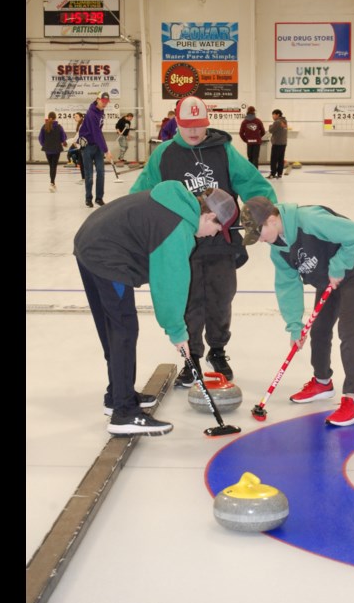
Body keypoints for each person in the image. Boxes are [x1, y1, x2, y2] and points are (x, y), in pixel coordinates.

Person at [129, 95, 277, 386]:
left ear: (207, 123)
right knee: (189, 300)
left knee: (222, 297)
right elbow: (141, 194)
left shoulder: (223, 150)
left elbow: (252, 182)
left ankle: (218, 351)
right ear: (177, 123)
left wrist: (265, 213)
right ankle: (192, 357)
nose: (194, 132)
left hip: (221, 240)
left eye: (199, 126)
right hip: (183, 244)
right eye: (188, 127)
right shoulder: (164, 155)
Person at [73, 183, 240, 436]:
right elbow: (169, 285)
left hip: (89, 243)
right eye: (217, 227)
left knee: (114, 327)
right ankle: (124, 413)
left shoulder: (176, 203)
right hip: (106, 255)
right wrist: (177, 332)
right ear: (208, 215)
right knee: (123, 330)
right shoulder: (178, 228)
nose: (214, 234)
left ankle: (118, 395)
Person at [239, 196, 354, 427]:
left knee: (349, 331)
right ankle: (323, 382)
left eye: (259, 233)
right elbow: (287, 285)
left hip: (353, 267)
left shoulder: (309, 220)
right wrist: (294, 326)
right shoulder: (277, 249)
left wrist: (340, 264)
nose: (260, 240)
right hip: (327, 276)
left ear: (272, 220)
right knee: (319, 330)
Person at [78, 91, 115, 208]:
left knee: (101, 173)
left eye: (106, 102)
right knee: (89, 175)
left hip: (97, 146)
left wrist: (103, 148)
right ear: (97, 99)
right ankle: (88, 198)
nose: (105, 104)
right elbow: (96, 133)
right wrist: (106, 150)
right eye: (103, 101)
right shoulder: (91, 114)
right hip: (88, 147)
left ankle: (99, 198)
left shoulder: (101, 111)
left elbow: (99, 132)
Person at [38, 111, 68, 193]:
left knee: (51, 166)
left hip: (47, 150)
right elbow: (63, 137)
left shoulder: (44, 126)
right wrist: (63, 141)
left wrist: (45, 144)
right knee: (54, 167)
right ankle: (52, 183)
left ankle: (52, 183)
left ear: (48, 117)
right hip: (56, 149)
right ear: (55, 118)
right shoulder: (59, 127)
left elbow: (40, 138)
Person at [266, 109, 288, 180]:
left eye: (273, 114)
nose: (272, 116)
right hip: (283, 143)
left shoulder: (277, 122)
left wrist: (270, 126)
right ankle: (279, 174)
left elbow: (271, 130)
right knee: (280, 159)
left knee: (274, 160)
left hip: (277, 144)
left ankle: (272, 174)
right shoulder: (284, 121)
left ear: (277, 114)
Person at [67, 112, 86, 178]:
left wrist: (68, 141)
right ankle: (83, 178)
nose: (75, 118)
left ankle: (85, 178)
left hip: (82, 146)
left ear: (81, 117)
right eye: (74, 116)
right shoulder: (80, 124)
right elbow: (77, 136)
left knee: (83, 163)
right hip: (79, 145)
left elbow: (78, 136)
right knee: (81, 162)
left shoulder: (82, 125)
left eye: (76, 116)